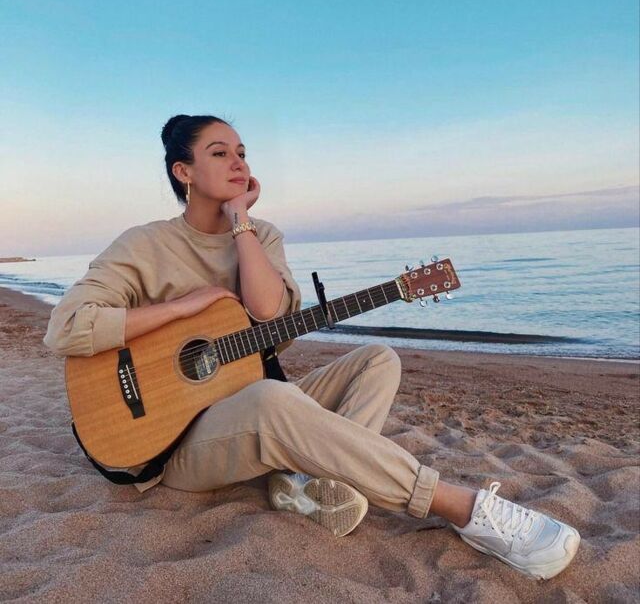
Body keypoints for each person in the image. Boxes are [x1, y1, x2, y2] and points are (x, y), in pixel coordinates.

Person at [44, 113, 581, 580]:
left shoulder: (261, 235)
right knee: (271, 400)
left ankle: (309, 483)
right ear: (183, 172)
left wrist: (241, 224)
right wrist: (183, 308)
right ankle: (466, 510)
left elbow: (265, 314)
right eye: (219, 153)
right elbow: (65, 326)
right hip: (172, 443)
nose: (238, 163)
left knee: (377, 359)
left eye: (242, 152)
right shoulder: (144, 244)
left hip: (249, 407)